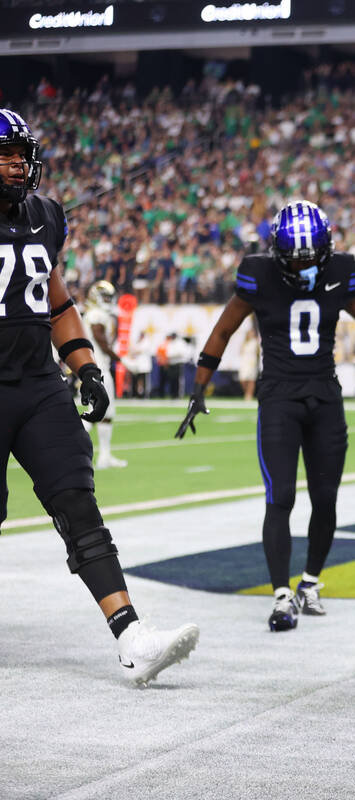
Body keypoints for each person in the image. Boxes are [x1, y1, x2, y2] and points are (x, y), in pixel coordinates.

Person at [0, 108, 198, 685]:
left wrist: (83, 364)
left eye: (20, 154)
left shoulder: (44, 216)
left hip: (38, 383)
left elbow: (55, 299)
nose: (15, 165)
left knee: (78, 505)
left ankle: (133, 637)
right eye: (3, 155)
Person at [176, 200, 355, 631]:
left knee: (325, 499)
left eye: (309, 255)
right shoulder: (258, 274)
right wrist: (198, 386)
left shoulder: (342, 271)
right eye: (294, 256)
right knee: (280, 496)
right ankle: (281, 594)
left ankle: (310, 582)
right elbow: (224, 329)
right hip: (279, 399)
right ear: (276, 252)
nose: (302, 263)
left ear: (325, 249)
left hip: (325, 397)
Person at [83, 280, 127, 468]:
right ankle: (69, 450)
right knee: (96, 412)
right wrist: (122, 360)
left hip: (98, 366)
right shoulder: (95, 314)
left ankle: (105, 456)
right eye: (105, 297)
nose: (108, 301)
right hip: (97, 367)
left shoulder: (102, 314)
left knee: (106, 412)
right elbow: (101, 341)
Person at [237, 326, 259, 401]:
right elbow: (241, 352)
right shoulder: (244, 343)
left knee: (251, 380)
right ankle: (246, 392)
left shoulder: (255, 342)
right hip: (244, 362)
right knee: (243, 379)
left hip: (252, 362)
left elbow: (257, 352)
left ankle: (249, 394)